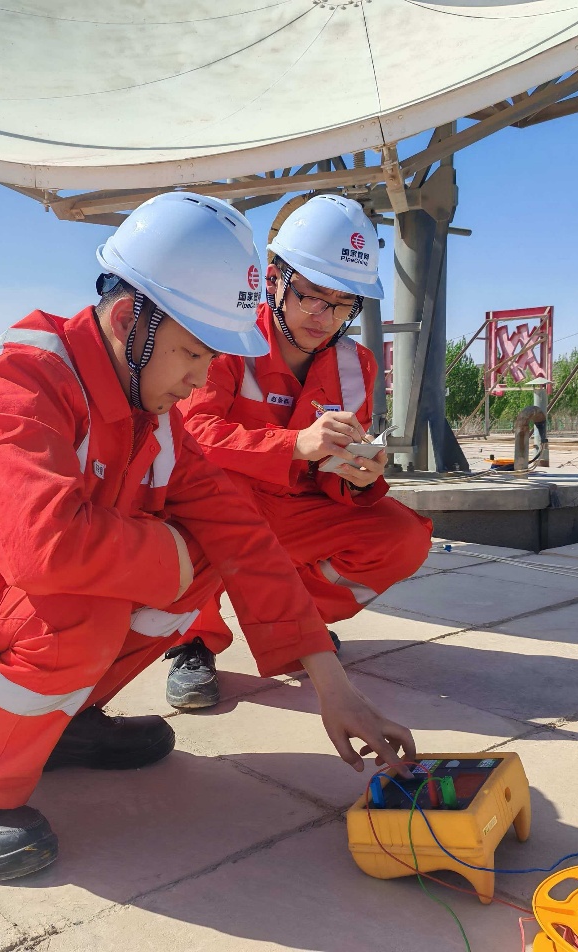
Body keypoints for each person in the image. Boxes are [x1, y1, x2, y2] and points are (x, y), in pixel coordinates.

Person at [0, 192, 416, 883]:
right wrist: (172, 559)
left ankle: (57, 722)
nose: (198, 379)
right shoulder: (16, 381)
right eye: (191, 353)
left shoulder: (147, 411)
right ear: (130, 320)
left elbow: (242, 536)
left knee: (204, 555)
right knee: (87, 596)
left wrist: (332, 686)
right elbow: (44, 549)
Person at [166, 195, 433, 711]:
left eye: (343, 303)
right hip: (222, 506)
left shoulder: (356, 365)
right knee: (211, 499)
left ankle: (299, 625)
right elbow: (191, 434)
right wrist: (293, 443)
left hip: (293, 510)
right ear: (274, 280)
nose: (325, 317)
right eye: (312, 296)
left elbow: (332, 467)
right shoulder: (228, 339)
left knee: (402, 537)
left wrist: (358, 475)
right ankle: (194, 641)